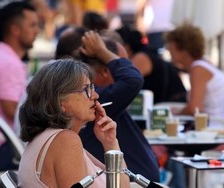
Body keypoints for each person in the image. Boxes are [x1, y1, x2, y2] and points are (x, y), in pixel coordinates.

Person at [55, 29, 160, 182]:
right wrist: (102, 51)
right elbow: (133, 79)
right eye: (119, 63)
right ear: (106, 70)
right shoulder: (89, 102)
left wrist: (110, 143)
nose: (94, 96)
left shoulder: (95, 101)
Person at [18, 59, 130, 188]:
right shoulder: (65, 141)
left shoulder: (54, 138)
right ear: (60, 101)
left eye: (93, 87)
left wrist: (110, 143)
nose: (96, 96)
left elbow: (119, 185)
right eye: (87, 89)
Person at [0, 1, 39, 172]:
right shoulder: (9, 63)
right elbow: (13, 110)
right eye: (32, 25)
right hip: (0, 148)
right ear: (15, 29)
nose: (37, 30)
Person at [164, 23, 224, 126]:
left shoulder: (198, 69)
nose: (168, 49)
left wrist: (175, 114)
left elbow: (194, 109)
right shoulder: (203, 64)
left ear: (183, 47)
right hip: (215, 126)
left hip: (212, 129)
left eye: (171, 45)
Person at [116, 25, 187, 104]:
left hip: (172, 104)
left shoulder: (141, 58)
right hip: (168, 103)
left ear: (126, 46)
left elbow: (126, 84)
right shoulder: (145, 54)